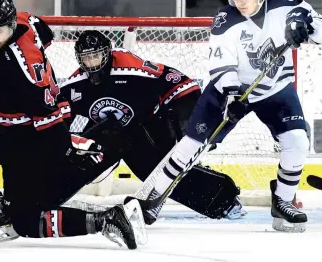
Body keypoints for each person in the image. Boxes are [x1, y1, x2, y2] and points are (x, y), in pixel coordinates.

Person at [136, 0, 322, 233]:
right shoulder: (225, 20)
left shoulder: (287, 5)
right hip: (229, 91)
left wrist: (308, 25)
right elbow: (222, 65)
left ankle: (283, 203)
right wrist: (231, 96)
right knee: (191, 145)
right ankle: (151, 199)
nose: (239, 1)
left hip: (274, 89)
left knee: (297, 141)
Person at [0, 0, 144, 248]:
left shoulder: (21, 73)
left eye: (0, 31)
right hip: (11, 132)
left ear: (9, 26)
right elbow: (43, 30)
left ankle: (107, 219)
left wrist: (64, 151)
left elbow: (46, 117)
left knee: (25, 222)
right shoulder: (24, 23)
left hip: (30, 140)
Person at [59, 30, 245, 225]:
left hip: (160, 119)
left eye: (96, 56)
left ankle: (223, 199)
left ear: (107, 53)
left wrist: (189, 125)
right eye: (86, 58)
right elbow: (62, 118)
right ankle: (48, 199)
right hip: (125, 134)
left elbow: (181, 87)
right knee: (91, 155)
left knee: (152, 166)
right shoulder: (75, 85)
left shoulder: (132, 70)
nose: (92, 63)